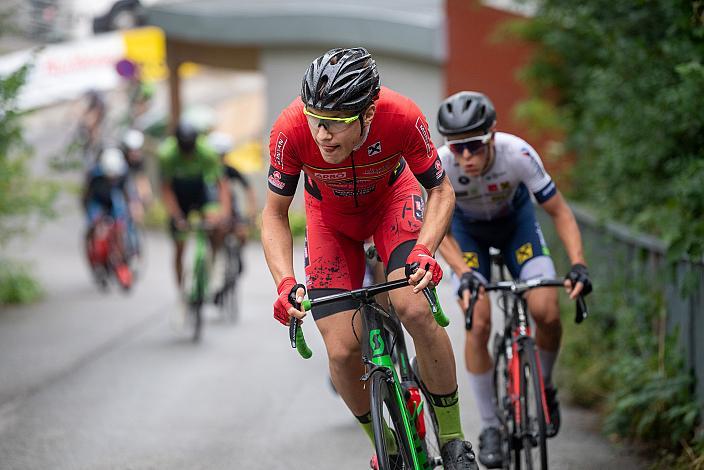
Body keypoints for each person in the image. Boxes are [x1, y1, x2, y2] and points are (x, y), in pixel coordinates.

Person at [261, 47, 478, 469]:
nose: (323, 133)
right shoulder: (290, 129)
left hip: (392, 204)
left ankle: (453, 439)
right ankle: (389, 446)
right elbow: (273, 213)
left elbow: (440, 190)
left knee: (412, 307)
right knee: (341, 351)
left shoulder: (400, 115)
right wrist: (285, 282)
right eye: (316, 119)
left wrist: (425, 250)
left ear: (368, 113)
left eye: (337, 122)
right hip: (330, 221)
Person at [435, 91, 593, 468]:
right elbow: (437, 230)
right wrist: (464, 274)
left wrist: (578, 263)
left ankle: (545, 385)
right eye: (458, 149)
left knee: (547, 312)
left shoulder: (517, 154)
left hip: (515, 229)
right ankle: (490, 426)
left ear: (491, 136)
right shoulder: (441, 165)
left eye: (474, 146)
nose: (467, 157)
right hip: (467, 234)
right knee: (478, 321)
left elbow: (560, 212)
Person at [157, 121, 231, 293]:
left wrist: (224, 214)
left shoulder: (207, 152)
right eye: (185, 151)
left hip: (200, 190)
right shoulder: (167, 154)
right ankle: (181, 292)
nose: (188, 155)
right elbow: (166, 189)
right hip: (179, 193)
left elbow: (221, 185)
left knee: (216, 223)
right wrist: (177, 216)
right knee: (179, 243)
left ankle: (214, 263)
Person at [82, 147, 140, 284]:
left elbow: (128, 192)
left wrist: (133, 206)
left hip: (113, 199)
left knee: (120, 225)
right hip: (97, 201)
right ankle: (95, 258)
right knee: (95, 226)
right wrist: (92, 218)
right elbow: (86, 197)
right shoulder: (94, 174)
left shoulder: (123, 172)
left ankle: (121, 257)